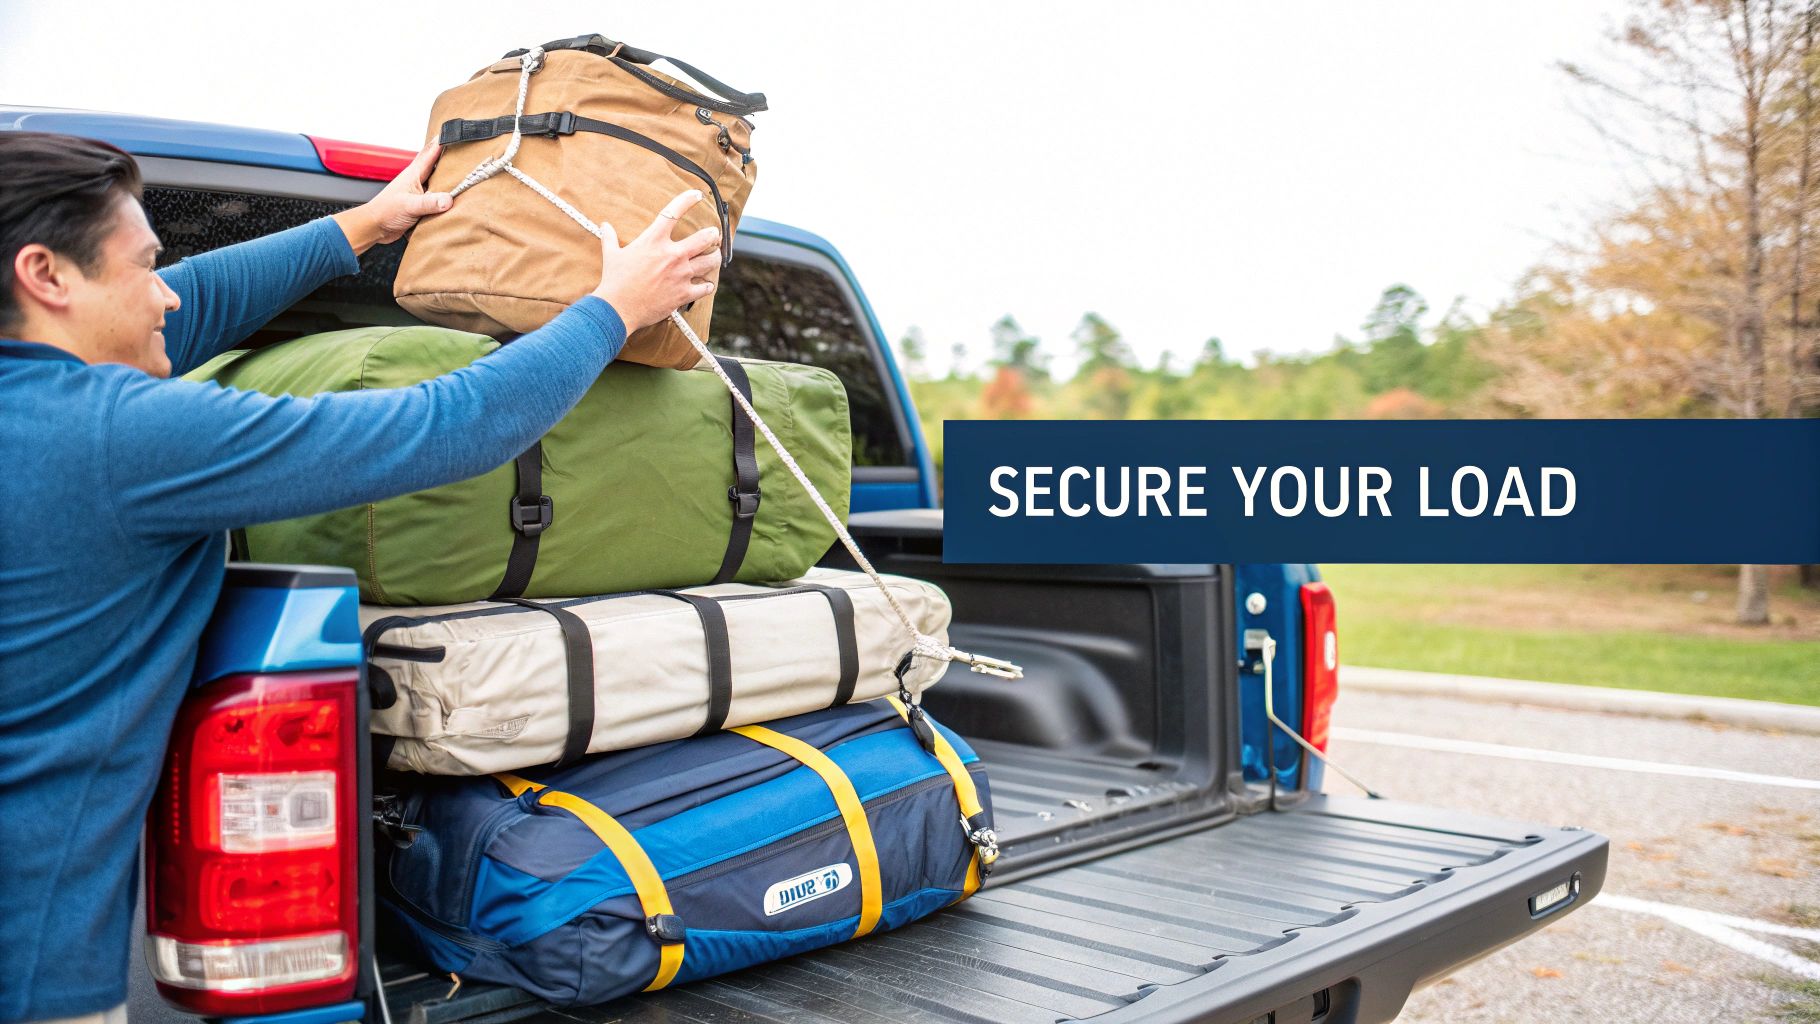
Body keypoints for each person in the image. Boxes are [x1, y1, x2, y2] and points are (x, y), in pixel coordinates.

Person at [0, 130, 719, 1024]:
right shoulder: (116, 437)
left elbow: (192, 309)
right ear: (46, 275)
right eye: (147, 266)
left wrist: (363, 229)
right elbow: (455, 421)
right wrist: (614, 304)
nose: (167, 293)